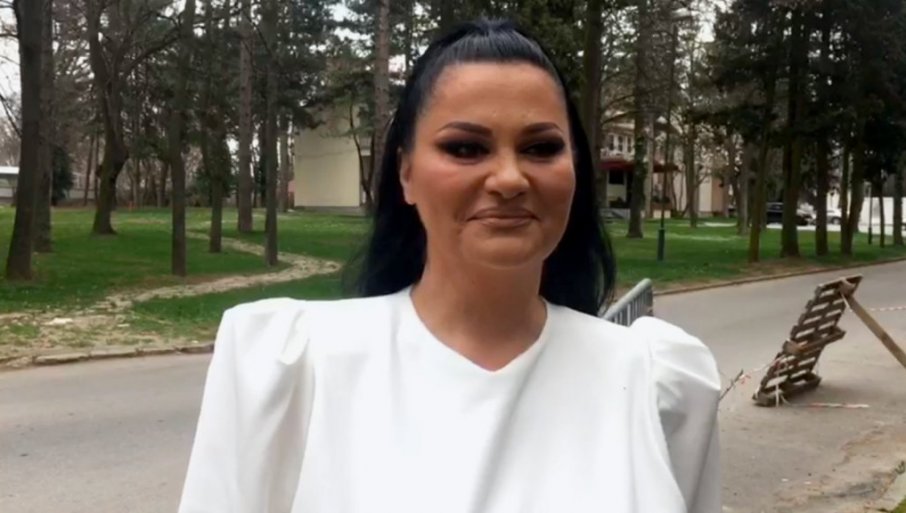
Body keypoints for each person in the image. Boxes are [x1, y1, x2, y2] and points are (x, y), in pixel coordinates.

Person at [178, 19, 721, 513]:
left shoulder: (658, 385)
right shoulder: (290, 370)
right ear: (406, 174)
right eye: (465, 148)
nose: (509, 178)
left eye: (540, 147)